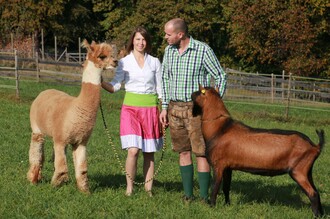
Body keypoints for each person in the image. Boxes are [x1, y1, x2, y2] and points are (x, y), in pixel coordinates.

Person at [159, 18, 227, 202]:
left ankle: (205, 196)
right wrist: (164, 107)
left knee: (201, 152)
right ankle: (188, 195)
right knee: (183, 151)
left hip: (196, 110)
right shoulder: (169, 51)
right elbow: (164, 79)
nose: (165, 37)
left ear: (180, 34)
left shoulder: (202, 50)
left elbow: (220, 76)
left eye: (168, 34)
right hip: (175, 108)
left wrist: (213, 105)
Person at [102, 26, 163, 197]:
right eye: (137, 39)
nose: (140, 42)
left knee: (149, 152)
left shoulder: (155, 62)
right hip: (130, 110)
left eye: (143, 39)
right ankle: (129, 188)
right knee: (133, 150)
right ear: (132, 41)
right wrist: (100, 82)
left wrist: (163, 108)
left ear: (147, 42)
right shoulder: (124, 62)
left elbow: (160, 88)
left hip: (150, 109)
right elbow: (115, 86)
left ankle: (148, 189)